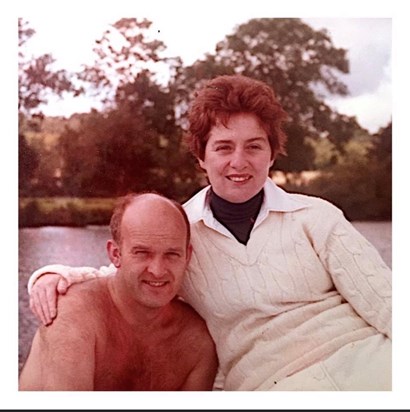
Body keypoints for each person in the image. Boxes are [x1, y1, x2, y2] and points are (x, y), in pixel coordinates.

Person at [27, 74, 392, 391]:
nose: (239, 162)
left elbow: (389, 304)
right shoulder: (181, 233)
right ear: (201, 157)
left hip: (372, 363)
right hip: (273, 386)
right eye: (223, 147)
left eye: (254, 146)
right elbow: (126, 273)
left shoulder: (316, 216)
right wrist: (54, 276)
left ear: (271, 154)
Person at [20, 192, 218, 391]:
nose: (157, 271)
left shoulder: (197, 342)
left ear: (187, 256)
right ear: (115, 254)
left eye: (172, 254)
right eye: (142, 253)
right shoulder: (74, 317)